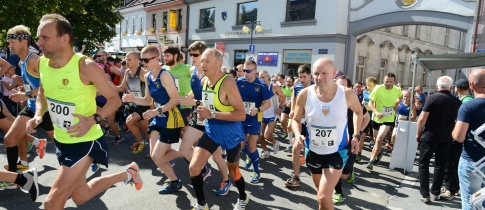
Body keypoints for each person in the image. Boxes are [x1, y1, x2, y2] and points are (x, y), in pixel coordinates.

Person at [26, 14, 142, 209]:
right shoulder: (42, 63)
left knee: (51, 203)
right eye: (39, 37)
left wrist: (94, 119)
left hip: (85, 140)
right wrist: (38, 114)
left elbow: (115, 100)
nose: (39, 43)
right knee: (81, 196)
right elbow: (43, 94)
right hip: (62, 140)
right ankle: (128, 174)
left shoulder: (85, 66)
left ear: (64, 39)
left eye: (45, 38)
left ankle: (128, 173)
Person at [292, 58, 362, 209]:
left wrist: (356, 135)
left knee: (323, 196)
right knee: (321, 198)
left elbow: (358, 112)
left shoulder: (346, 94)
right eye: (316, 73)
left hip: (337, 151)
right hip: (314, 150)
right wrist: (297, 135)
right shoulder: (304, 94)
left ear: (333, 74)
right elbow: (296, 119)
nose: (320, 77)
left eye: (324, 73)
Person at [188, 49, 248, 209]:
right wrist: (201, 113)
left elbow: (241, 114)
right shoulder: (204, 81)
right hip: (212, 132)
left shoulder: (228, 82)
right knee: (194, 167)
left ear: (219, 63)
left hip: (231, 134)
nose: (203, 64)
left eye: (207, 61)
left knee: (233, 172)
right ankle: (202, 204)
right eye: (202, 61)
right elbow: (206, 105)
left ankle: (243, 198)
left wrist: (212, 114)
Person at [178, 41, 231, 196]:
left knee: (216, 156)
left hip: (213, 119)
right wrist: (188, 98)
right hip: (199, 116)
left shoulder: (215, 76)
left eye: (195, 55)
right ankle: (203, 168)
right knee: (183, 148)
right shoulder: (194, 71)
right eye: (191, 55)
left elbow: (215, 102)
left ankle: (226, 181)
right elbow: (196, 92)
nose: (192, 58)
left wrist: (193, 102)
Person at [4, 25, 49, 175]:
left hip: (46, 108)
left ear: (24, 42)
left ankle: (90, 151)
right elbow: (32, 84)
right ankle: (15, 174)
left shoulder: (34, 60)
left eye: (12, 43)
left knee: (63, 140)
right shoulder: (20, 62)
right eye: (9, 42)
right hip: (31, 106)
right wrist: (20, 86)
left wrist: (25, 94)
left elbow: (49, 86)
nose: (10, 46)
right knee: (10, 138)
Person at [415, 76, 461, 204]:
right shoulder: (456, 101)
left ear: (437, 86)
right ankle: (435, 192)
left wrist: (418, 133)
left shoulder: (432, 98)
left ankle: (425, 194)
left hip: (430, 135)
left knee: (423, 163)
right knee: (440, 165)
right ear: (450, 87)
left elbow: (422, 118)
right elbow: (458, 121)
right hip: (446, 137)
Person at [452, 69, 485, 210]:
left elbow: (458, 137)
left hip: (472, 160)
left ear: (471, 85)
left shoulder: (468, 106)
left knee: (470, 202)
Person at [237, 60, 272, 183]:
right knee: (240, 145)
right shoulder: (239, 82)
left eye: (248, 71)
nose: (245, 73)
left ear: (255, 71)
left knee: (252, 146)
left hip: (254, 118)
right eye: (244, 70)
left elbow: (268, 103)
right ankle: (251, 156)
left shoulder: (261, 85)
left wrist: (258, 109)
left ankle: (256, 171)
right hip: (241, 117)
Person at [441, 79, 475, 200]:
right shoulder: (468, 100)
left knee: (452, 163)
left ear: (457, 88)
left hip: (459, 138)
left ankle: (451, 189)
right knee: (452, 162)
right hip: (463, 137)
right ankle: (451, 186)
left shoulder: (465, 102)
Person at [332, 76, 363, 205]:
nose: (340, 89)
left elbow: (365, 117)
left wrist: (357, 134)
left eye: (344, 86)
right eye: (338, 85)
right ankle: (338, 192)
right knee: (334, 170)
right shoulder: (329, 100)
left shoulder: (352, 102)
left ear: (350, 89)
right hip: (334, 142)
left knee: (344, 175)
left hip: (350, 141)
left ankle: (350, 171)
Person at [112, 51, 150, 154]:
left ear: (137, 60)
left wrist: (152, 108)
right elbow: (122, 88)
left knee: (129, 122)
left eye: (129, 59)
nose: (127, 61)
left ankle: (141, 142)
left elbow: (151, 92)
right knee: (144, 128)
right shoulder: (127, 72)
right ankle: (154, 149)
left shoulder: (143, 73)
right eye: (126, 59)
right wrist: (109, 86)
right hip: (133, 104)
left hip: (143, 104)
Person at [285, 64, 314, 188]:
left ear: (310, 76)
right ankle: (296, 177)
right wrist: (292, 111)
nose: (301, 79)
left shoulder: (316, 88)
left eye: (304, 77)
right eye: (299, 76)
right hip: (301, 120)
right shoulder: (297, 86)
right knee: (295, 146)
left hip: (313, 122)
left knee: (313, 152)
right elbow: (294, 99)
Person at [366, 73, 402, 170]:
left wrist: (396, 104)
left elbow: (400, 97)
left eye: (391, 81)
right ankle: (379, 152)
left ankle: (371, 161)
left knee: (379, 139)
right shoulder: (377, 88)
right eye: (387, 81)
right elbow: (370, 102)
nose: (388, 83)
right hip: (376, 118)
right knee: (375, 139)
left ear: (394, 81)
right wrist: (376, 112)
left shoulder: (397, 90)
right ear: (383, 80)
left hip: (389, 118)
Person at [162, 46, 192, 138]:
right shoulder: (164, 69)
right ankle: (189, 151)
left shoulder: (187, 68)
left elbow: (198, 80)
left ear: (175, 56)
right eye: (164, 56)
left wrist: (192, 95)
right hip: (170, 105)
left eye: (167, 56)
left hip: (184, 105)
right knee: (177, 132)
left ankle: (198, 150)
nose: (165, 58)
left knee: (185, 131)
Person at [258, 70, 285, 158]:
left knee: (266, 135)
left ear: (268, 76)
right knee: (260, 135)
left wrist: (280, 107)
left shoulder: (274, 86)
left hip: (273, 114)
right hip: (262, 114)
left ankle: (275, 142)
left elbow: (283, 96)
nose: (261, 79)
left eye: (263, 77)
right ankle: (265, 151)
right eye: (260, 77)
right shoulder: (259, 87)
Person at [360, 77, 377, 157]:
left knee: (373, 135)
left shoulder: (377, 93)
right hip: (365, 115)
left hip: (374, 116)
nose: (368, 87)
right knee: (362, 135)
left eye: (370, 85)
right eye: (367, 85)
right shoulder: (364, 92)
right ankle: (359, 154)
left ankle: (376, 150)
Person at [281, 76, 294, 152]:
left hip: (293, 108)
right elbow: (281, 98)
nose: (288, 83)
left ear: (293, 82)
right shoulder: (283, 88)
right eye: (287, 81)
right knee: (282, 121)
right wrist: (285, 103)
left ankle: (291, 141)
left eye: (290, 82)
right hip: (286, 106)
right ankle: (287, 132)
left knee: (290, 126)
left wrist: (291, 103)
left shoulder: (295, 88)